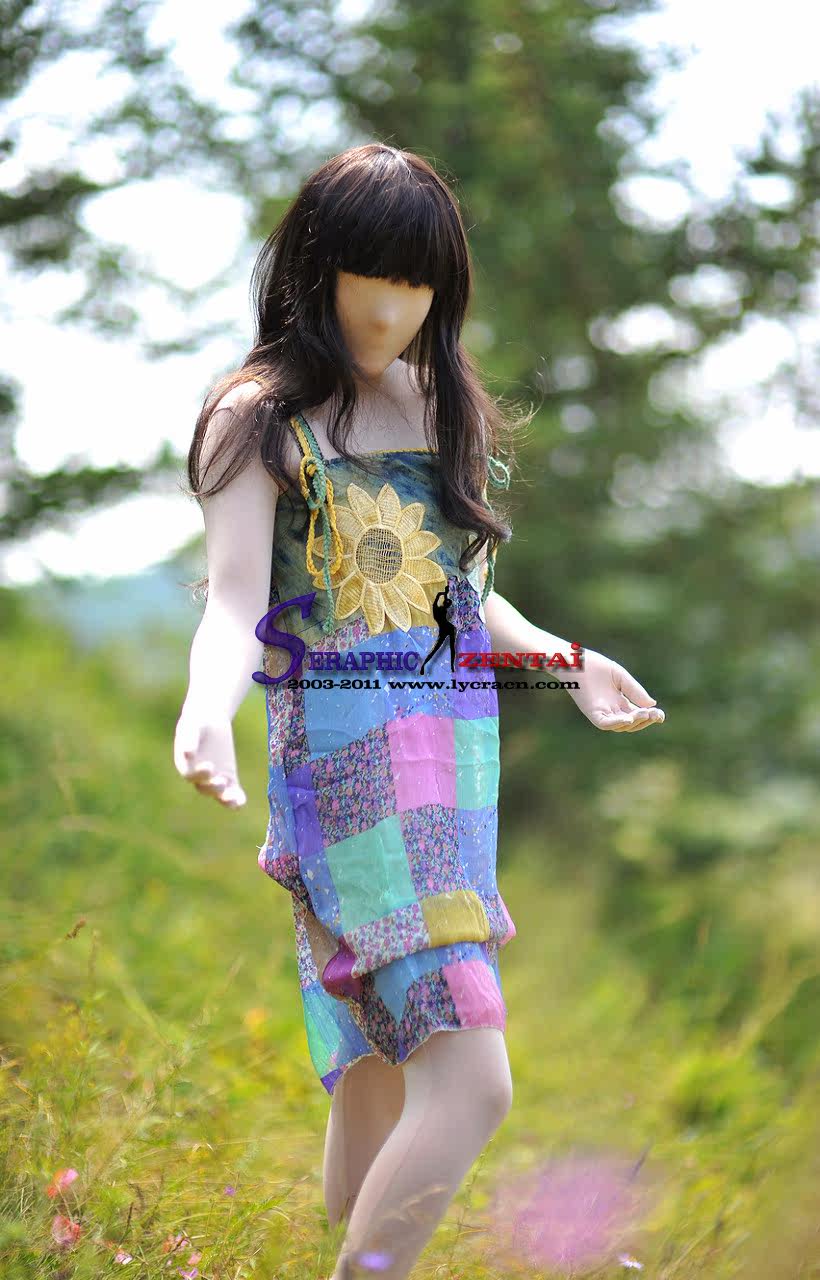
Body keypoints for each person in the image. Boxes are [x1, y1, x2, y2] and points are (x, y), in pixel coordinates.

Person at [173, 143, 665, 1280]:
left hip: (452, 769)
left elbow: (464, 597)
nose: (392, 311)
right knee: (470, 1077)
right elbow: (236, 599)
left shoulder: (439, 405)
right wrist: (206, 708)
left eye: (419, 284)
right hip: (347, 775)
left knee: (381, 1074)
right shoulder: (259, 418)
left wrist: (570, 663)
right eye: (369, 278)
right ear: (316, 270)